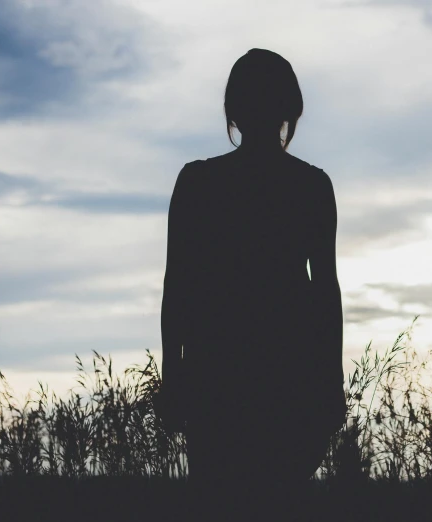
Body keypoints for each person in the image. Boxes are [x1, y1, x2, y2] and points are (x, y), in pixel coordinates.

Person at [158, 48, 347, 521]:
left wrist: (173, 374)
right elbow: (326, 292)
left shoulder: (198, 183)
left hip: (216, 373)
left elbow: (177, 287)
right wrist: (331, 380)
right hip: (289, 373)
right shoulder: (311, 187)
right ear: (290, 110)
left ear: (233, 110)